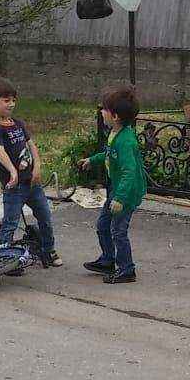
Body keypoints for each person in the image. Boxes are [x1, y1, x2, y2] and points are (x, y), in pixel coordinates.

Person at [0, 77, 62, 268]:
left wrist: (37, 166)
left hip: (32, 185)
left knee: (45, 216)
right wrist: (12, 171)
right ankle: (4, 258)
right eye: (6, 101)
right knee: (10, 223)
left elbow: (31, 146)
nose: (11, 104)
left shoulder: (17, 123)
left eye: (13, 100)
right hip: (14, 187)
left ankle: (48, 250)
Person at [79, 85, 147, 284]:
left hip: (125, 193)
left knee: (118, 231)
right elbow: (110, 155)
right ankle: (108, 260)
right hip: (116, 190)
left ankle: (127, 269)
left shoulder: (126, 141)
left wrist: (120, 198)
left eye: (104, 109)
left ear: (115, 116)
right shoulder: (116, 133)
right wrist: (93, 160)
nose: (101, 111)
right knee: (103, 226)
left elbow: (129, 172)